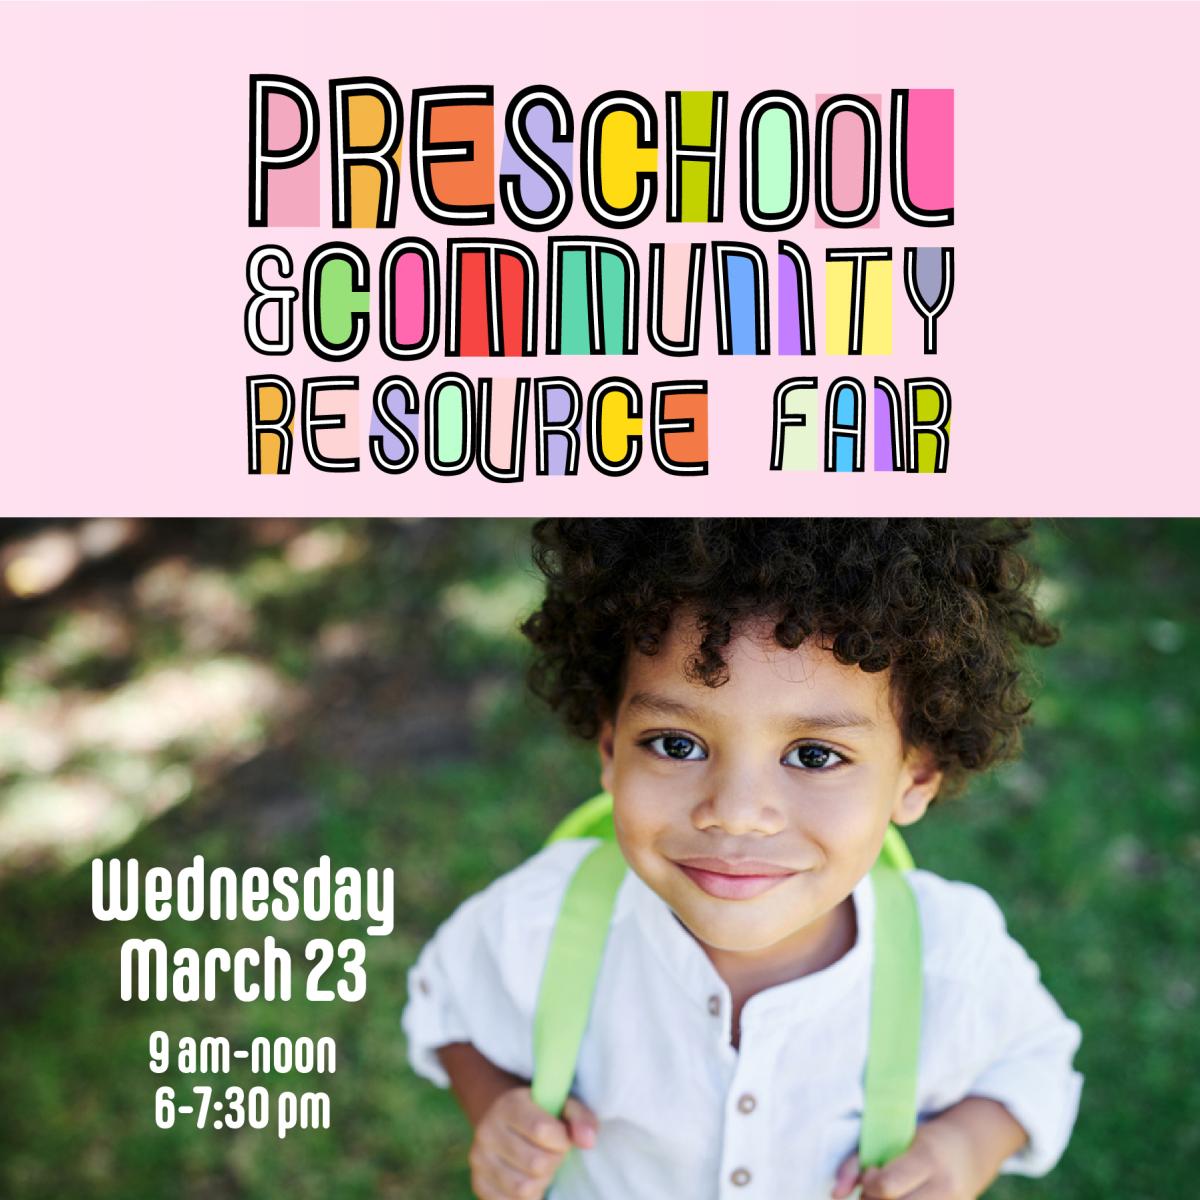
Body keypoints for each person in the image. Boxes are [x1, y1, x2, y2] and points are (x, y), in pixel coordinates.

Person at [402, 519, 1083, 1200]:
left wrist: (966, 1147)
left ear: (914, 778)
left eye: (814, 756)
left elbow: (1034, 1062)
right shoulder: (539, 923)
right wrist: (495, 1109)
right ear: (610, 750)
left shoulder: (952, 961)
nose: (733, 810)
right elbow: (450, 1008)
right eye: (675, 744)